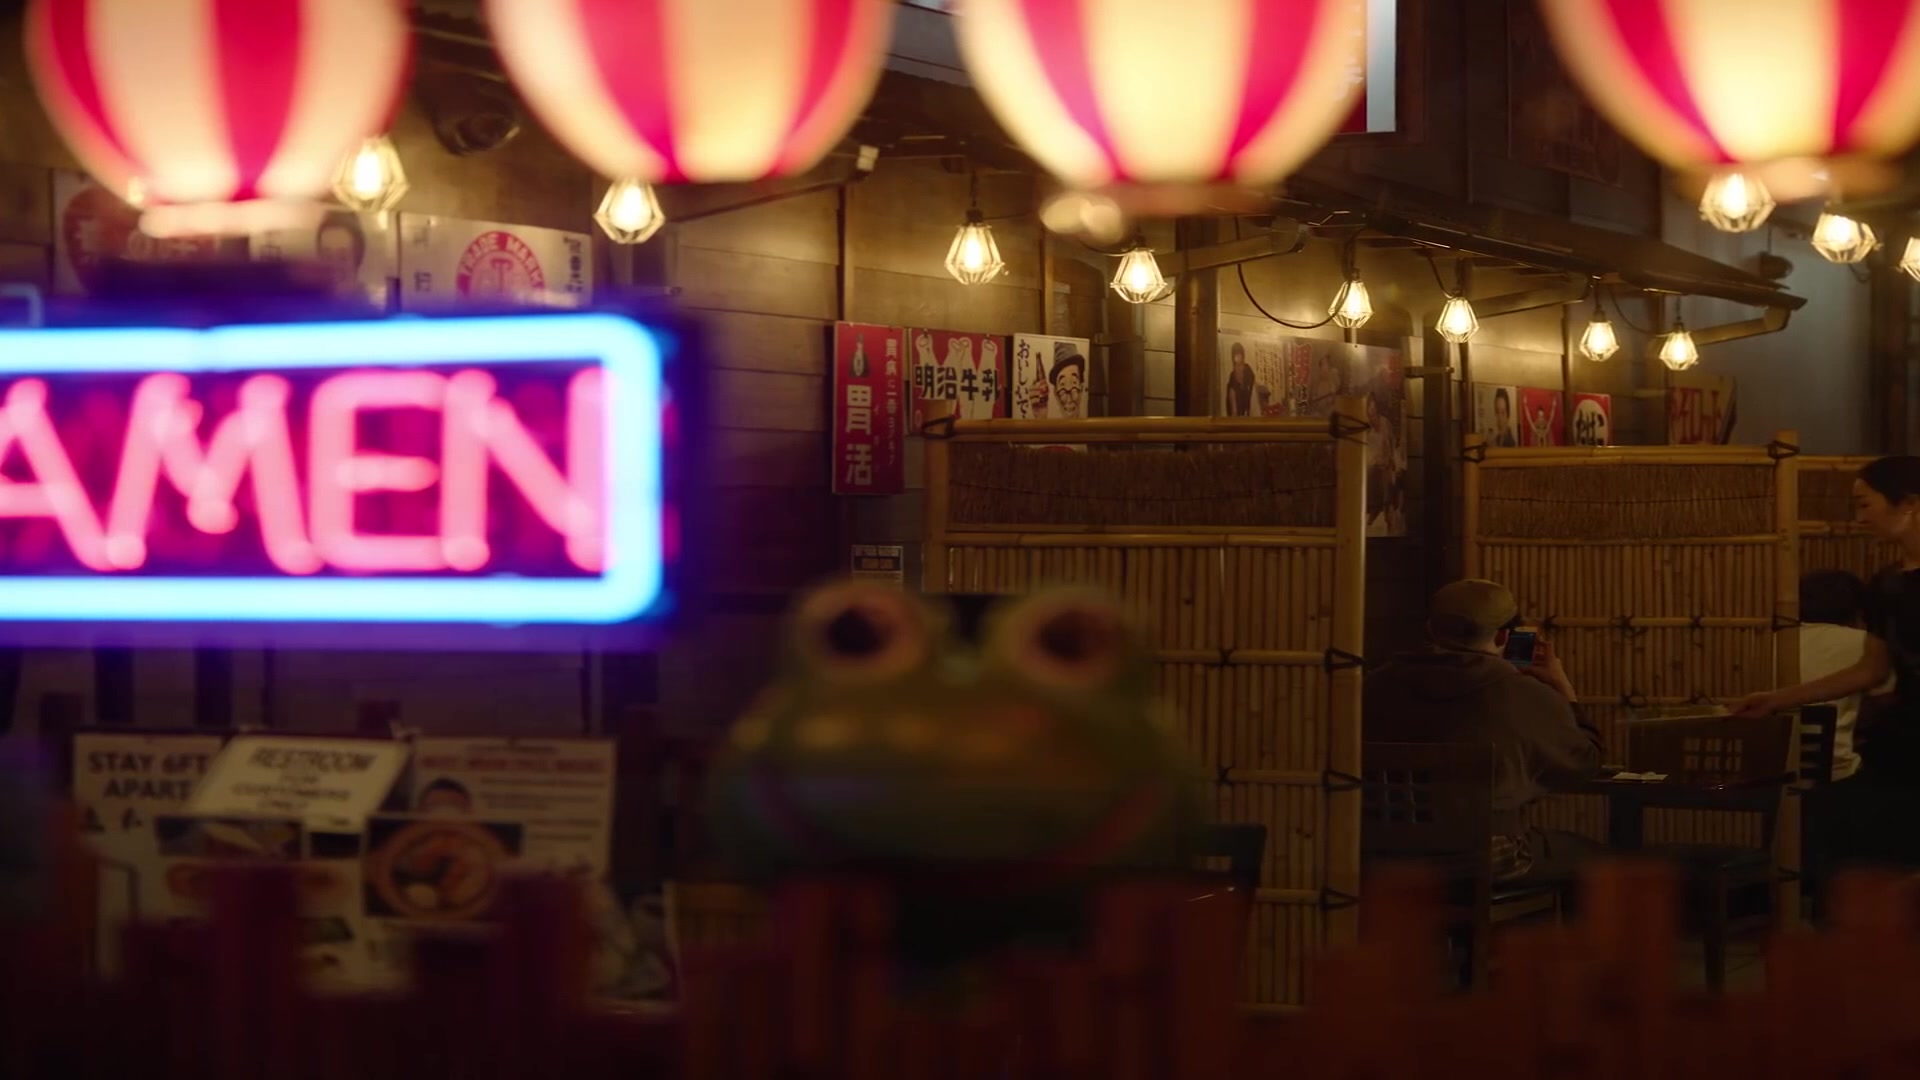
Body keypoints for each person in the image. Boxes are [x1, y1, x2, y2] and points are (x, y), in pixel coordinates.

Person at [1735, 456, 1920, 868]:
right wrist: (1779, 698)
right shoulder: (1887, 584)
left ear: (1909, 503)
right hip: (1902, 747)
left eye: (1865, 504)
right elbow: (1871, 669)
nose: (1860, 518)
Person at [1366, 579, 1606, 882]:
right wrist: (1562, 686)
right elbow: (1585, 762)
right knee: (1597, 857)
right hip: (1482, 857)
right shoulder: (1523, 694)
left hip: (1380, 855)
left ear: (1430, 629)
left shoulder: (1373, 686)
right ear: (1505, 635)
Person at [1225, 343, 1255, 417]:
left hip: (1247, 403)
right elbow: (1231, 394)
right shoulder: (1232, 374)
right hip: (1236, 409)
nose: (1237, 357)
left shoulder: (1247, 369)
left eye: (1239, 354)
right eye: (1235, 355)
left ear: (1242, 355)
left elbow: (1251, 388)